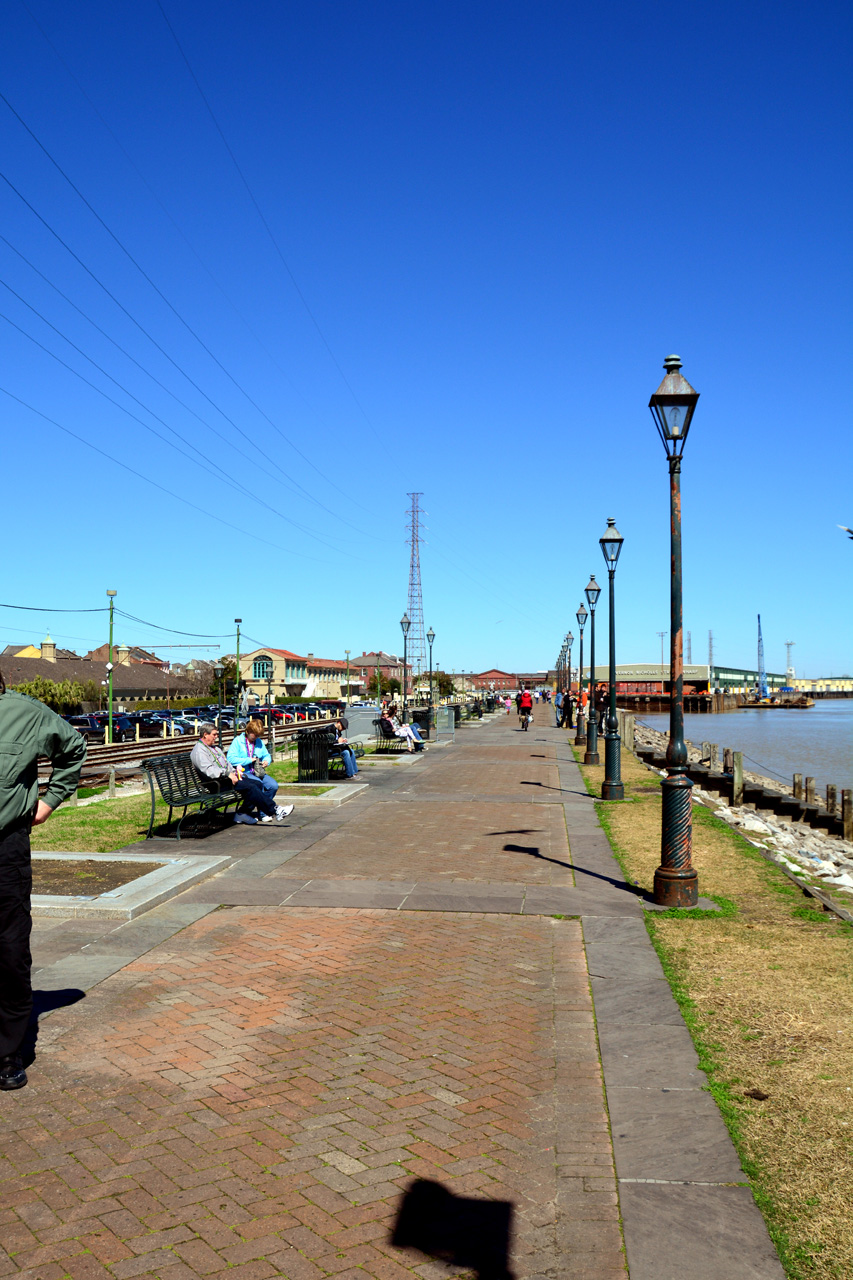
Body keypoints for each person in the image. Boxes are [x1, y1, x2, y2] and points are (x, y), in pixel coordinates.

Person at [0, 671, 87, 1091]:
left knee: (10, 950)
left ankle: (7, 1051)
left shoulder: (26, 714)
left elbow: (74, 749)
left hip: (5, 848)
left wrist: (50, 800)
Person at [192, 724, 293, 824]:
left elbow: (227, 764)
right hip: (215, 783)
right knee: (251, 787)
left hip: (225, 779)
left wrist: (235, 772)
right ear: (205, 735)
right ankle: (276, 810)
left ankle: (242, 813)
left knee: (257, 784)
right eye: (214, 734)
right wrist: (228, 774)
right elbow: (209, 770)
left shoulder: (214, 748)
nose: (216, 737)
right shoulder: (199, 751)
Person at [227, 719, 281, 810]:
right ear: (248, 731)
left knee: (273, 786)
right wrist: (248, 760)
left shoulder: (259, 742)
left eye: (258, 735)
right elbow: (230, 759)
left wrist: (266, 761)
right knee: (259, 784)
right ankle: (260, 811)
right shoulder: (238, 741)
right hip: (244, 772)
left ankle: (262, 810)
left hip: (258, 772)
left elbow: (266, 755)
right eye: (255, 735)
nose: (256, 737)